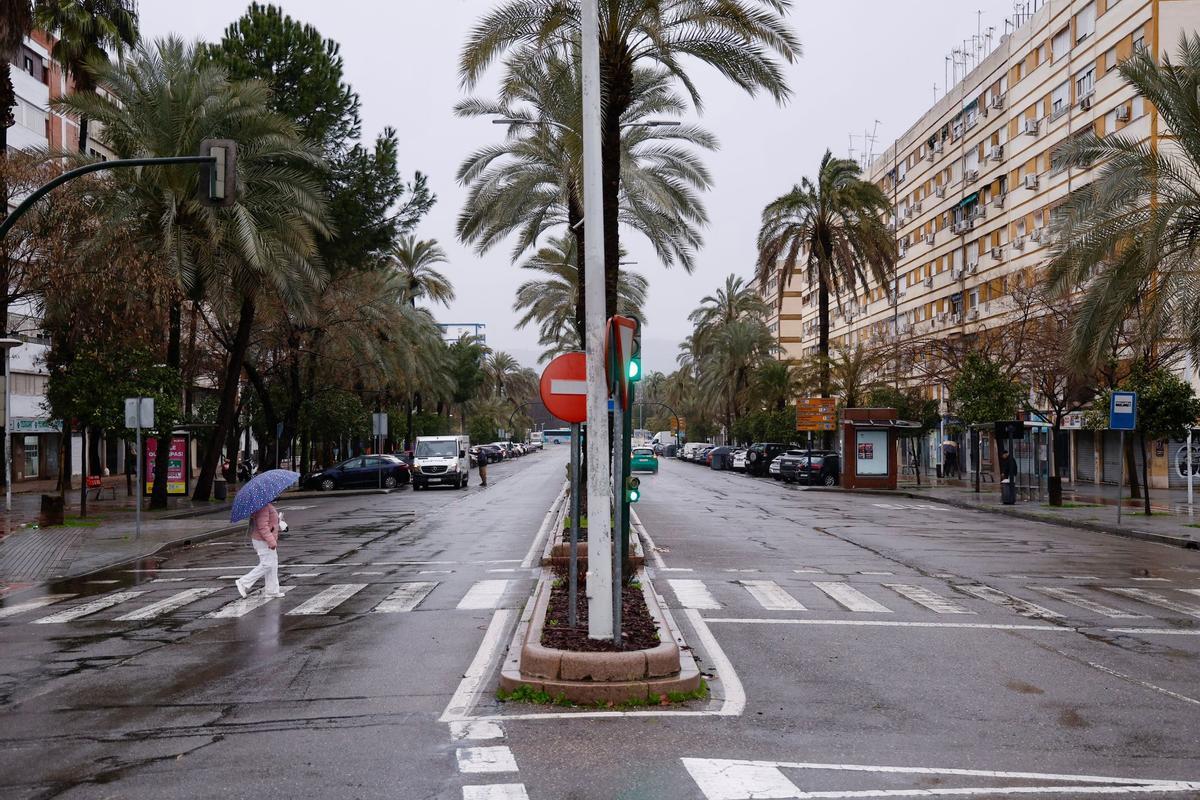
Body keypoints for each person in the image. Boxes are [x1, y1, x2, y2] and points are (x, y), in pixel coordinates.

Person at [235, 502, 283, 598]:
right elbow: (262, 527)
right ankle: (243, 582)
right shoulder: (263, 507)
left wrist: (279, 523)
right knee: (268, 564)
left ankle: (272, 590)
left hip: (266, 539)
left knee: (273, 564)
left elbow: (269, 524)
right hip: (262, 541)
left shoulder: (266, 505)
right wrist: (271, 541)